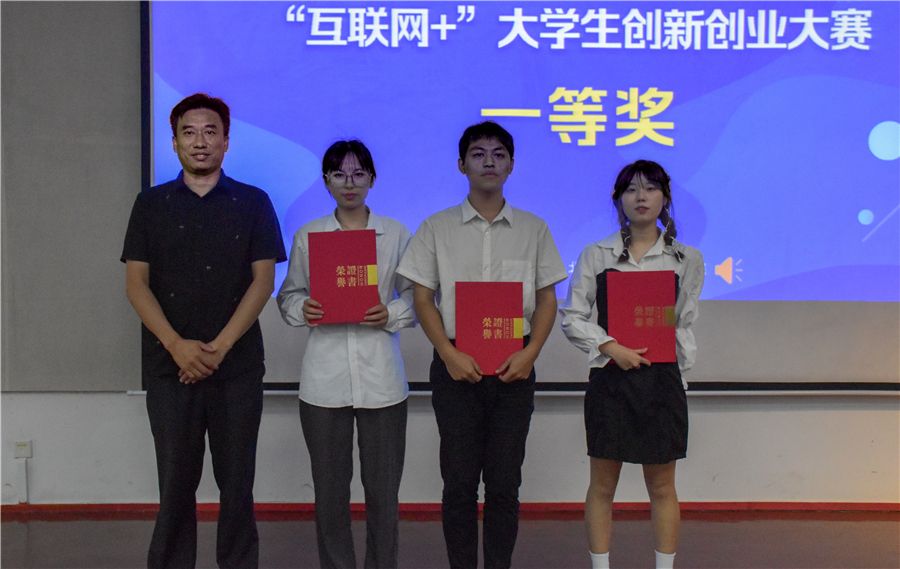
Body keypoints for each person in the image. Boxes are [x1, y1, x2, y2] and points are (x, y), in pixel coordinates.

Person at [122, 93, 286, 569]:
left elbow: (263, 281)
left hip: (236, 369)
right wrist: (177, 346)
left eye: (210, 132)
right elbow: (136, 284)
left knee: (237, 484)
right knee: (175, 483)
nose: (200, 141)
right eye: (189, 132)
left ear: (226, 142)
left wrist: (219, 348)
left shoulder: (253, 202)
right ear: (174, 142)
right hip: (169, 368)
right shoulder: (150, 205)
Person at [397, 121, 568, 569]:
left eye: (498, 154)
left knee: (505, 485)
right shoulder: (436, 227)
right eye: (478, 154)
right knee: (458, 485)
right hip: (455, 365)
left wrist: (531, 353)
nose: (488, 162)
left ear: (511, 165)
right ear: (461, 165)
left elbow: (547, 298)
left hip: (515, 365)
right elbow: (422, 297)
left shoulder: (533, 228)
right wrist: (448, 354)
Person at [559, 160, 704, 569]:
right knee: (602, 486)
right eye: (631, 189)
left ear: (665, 197)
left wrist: (676, 374)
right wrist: (610, 346)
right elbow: (572, 317)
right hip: (611, 379)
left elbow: (683, 323)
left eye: (651, 188)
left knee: (663, 488)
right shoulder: (597, 254)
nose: (641, 197)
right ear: (618, 199)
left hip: (661, 380)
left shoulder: (686, 258)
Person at [277, 140, 415, 569]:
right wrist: (304, 308)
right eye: (339, 174)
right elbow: (288, 295)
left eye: (358, 174)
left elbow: (418, 297)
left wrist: (390, 313)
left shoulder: (395, 233)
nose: (349, 183)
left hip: (382, 380)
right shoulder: (309, 236)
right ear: (326, 181)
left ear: (373, 178)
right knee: (330, 492)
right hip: (325, 381)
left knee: (383, 492)